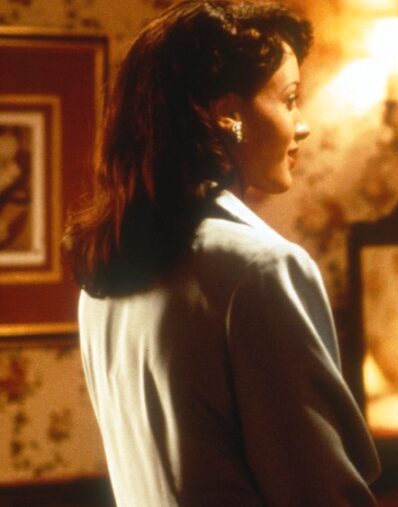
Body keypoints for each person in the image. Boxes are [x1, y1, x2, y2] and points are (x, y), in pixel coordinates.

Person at [64, 1, 379, 505]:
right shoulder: (259, 270)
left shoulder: (103, 275)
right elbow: (318, 492)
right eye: (290, 100)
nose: (302, 126)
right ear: (228, 115)